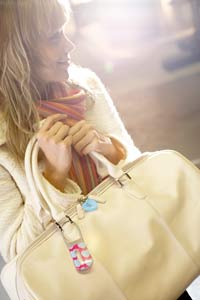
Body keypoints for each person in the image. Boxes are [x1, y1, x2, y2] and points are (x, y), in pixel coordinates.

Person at [0, 0, 141, 264]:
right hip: (85, 283)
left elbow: (139, 171)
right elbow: (20, 254)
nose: (69, 45)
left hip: (141, 247)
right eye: (54, 37)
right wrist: (53, 176)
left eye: (63, 31)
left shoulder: (85, 85)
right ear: (16, 52)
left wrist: (108, 149)